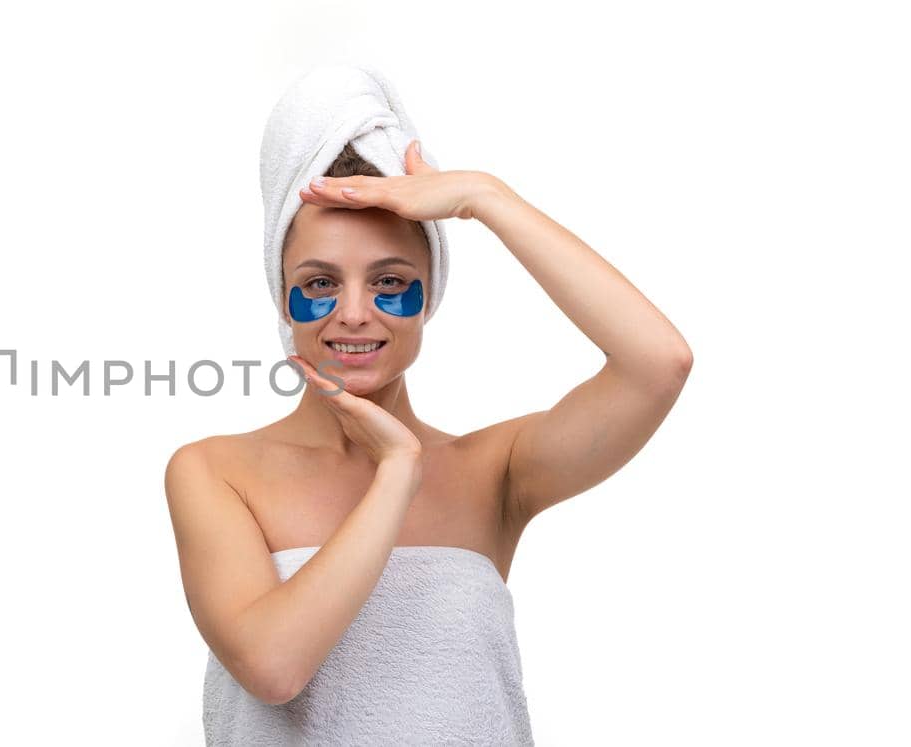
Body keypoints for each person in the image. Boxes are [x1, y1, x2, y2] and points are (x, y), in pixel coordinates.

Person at [164, 118, 693, 742]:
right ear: (285, 299)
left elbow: (659, 363)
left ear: (430, 295)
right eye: (320, 283)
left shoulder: (496, 471)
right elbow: (274, 666)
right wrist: (395, 472)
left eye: (389, 281)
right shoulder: (216, 471)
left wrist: (485, 198)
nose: (354, 314)